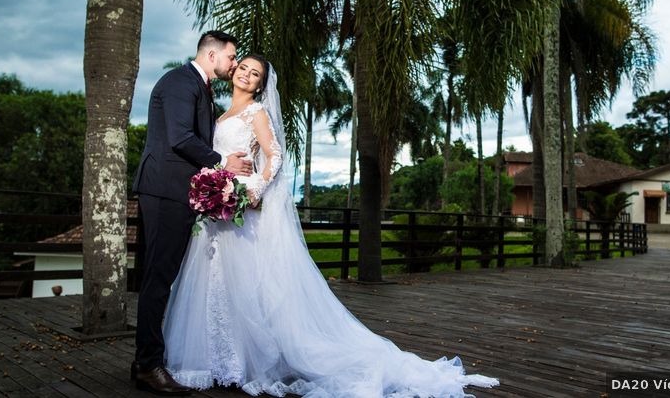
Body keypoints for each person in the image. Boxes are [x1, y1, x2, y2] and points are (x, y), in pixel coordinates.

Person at [163, 55, 499, 397]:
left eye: (256, 74)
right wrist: (214, 186)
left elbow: (274, 156)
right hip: (217, 214)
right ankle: (219, 360)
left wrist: (252, 190)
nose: (247, 75)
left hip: (241, 207)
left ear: (262, 85)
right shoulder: (220, 115)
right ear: (233, 71)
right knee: (218, 285)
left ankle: (244, 363)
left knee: (245, 288)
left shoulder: (256, 113)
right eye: (244, 68)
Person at [131, 31, 253, 395]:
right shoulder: (181, 82)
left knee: (159, 275)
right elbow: (180, 138)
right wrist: (223, 163)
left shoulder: (197, 86)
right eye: (232, 58)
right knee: (158, 277)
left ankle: (144, 361)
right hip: (166, 190)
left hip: (174, 191)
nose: (233, 65)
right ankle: (149, 366)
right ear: (212, 54)